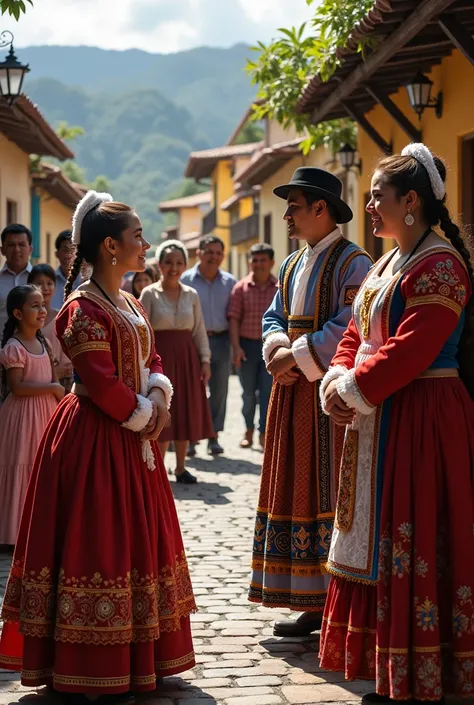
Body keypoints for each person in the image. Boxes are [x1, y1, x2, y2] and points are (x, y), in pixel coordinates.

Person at [0, 191, 196, 699]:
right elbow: (102, 382)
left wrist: (157, 393)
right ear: (110, 246)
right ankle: (92, 660)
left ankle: (138, 656)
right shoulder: (79, 310)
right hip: (94, 439)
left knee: (133, 540)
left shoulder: (130, 301)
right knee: (99, 541)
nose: (146, 244)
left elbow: (151, 358)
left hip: (132, 440)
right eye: (137, 236)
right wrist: (147, 413)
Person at [319, 144, 474, 702]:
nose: (369, 205)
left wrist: (354, 390)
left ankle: (425, 664)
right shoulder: (387, 264)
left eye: (377, 195)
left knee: (411, 531)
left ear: (411, 201)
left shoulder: (442, 265)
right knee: (375, 530)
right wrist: (336, 381)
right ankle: (392, 662)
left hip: (423, 417)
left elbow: (413, 349)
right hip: (381, 413)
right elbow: (356, 333)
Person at [248, 167, 372, 638]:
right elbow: (273, 313)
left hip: (325, 398)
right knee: (296, 483)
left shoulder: (353, 263)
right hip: (291, 394)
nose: (286, 215)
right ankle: (308, 597)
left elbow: (349, 326)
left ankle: (333, 596)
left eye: (294, 205)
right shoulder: (292, 264)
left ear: (321, 208)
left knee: (329, 486)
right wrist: (276, 349)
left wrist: (295, 358)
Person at [140, 240, 213, 484]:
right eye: (168, 262)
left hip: (187, 359)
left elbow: (199, 330)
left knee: (184, 410)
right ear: (159, 264)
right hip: (160, 360)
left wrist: (205, 360)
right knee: (162, 409)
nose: (174, 267)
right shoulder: (149, 294)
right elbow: (144, 332)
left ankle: (181, 468)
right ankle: (158, 469)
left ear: (185, 265)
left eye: (179, 262)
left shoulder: (192, 295)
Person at [0, 285, 63, 546]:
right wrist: (52, 389)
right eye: (34, 306)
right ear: (17, 313)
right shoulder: (14, 347)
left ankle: (42, 531)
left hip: (45, 415)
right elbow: (17, 387)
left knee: (42, 469)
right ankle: (14, 534)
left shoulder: (45, 343)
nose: (41, 310)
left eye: (42, 305)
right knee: (20, 468)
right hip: (22, 417)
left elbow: (55, 379)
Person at [181, 235, 236, 456]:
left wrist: (235, 346)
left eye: (218, 253)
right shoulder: (185, 280)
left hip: (222, 341)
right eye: (209, 252)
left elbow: (235, 316)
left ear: (223, 256)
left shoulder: (230, 282)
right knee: (194, 391)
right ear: (199, 253)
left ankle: (213, 436)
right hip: (193, 341)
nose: (214, 257)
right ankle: (192, 438)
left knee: (220, 390)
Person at [228, 243, 277, 450]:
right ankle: (248, 430)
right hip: (246, 347)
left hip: (270, 348)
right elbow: (233, 319)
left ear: (271, 262)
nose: (258, 264)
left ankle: (263, 433)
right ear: (250, 263)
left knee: (267, 393)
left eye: (263, 260)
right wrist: (236, 347)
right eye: (255, 260)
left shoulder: (279, 288)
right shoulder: (240, 288)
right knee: (248, 393)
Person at [28, 264, 74, 391]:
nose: (45, 288)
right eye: (40, 283)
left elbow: (68, 364)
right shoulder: (25, 322)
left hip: (63, 386)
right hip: (34, 386)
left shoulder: (62, 317)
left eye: (50, 283)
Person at [0, 224, 33, 335]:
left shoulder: (40, 280)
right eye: (11, 245)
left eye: (21, 244)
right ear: (2, 250)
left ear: (30, 249)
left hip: (33, 348)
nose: (16, 250)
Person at [51, 230, 79, 309]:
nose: (69, 255)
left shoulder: (86, 282)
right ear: (57, 254)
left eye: (73, 250)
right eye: (65, 249)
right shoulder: (50, 282)